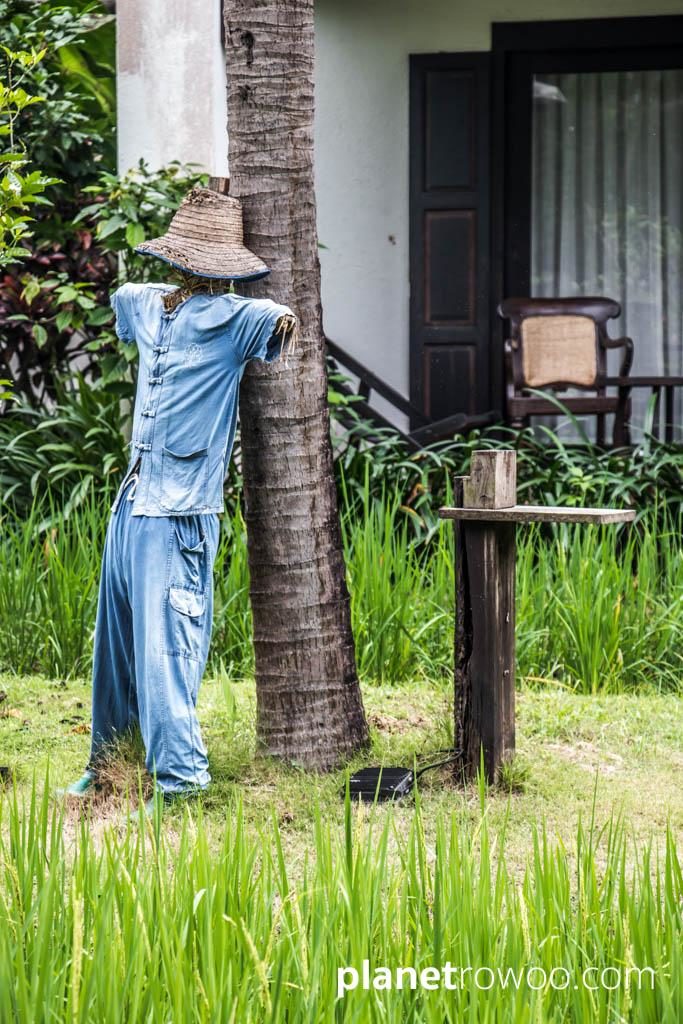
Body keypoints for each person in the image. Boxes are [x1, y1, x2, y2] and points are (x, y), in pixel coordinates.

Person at [60, 187, 297, 810]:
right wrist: (173, 296)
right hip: (133, 500)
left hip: (181, 512)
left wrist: (241, 304)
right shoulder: (148, 305)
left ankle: (181, 782)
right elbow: (125, 297)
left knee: (167, 646)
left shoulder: (236, 319)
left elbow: (280, 319)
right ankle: (106, 760)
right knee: (113, 643)